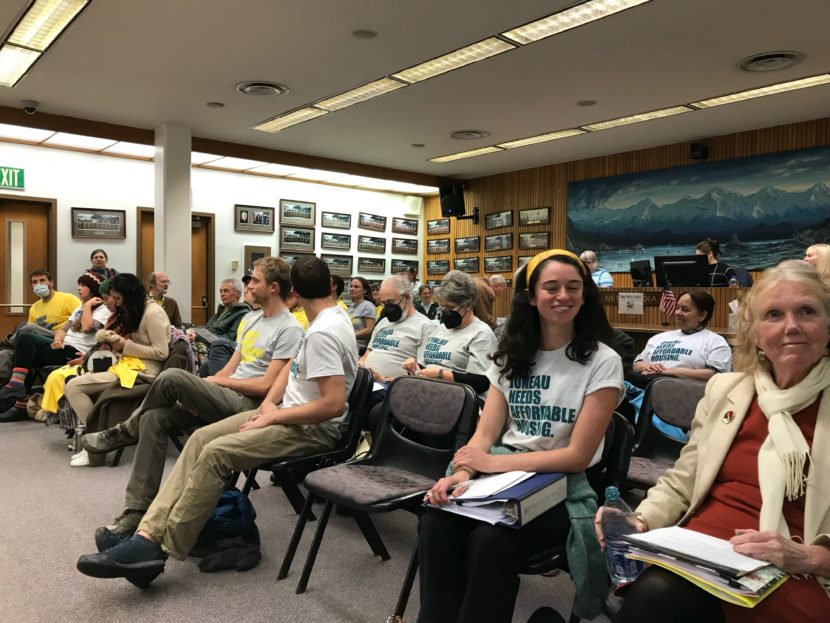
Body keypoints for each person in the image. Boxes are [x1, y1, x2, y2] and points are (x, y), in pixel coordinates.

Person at [76, 255, 359, 588]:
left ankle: (157, 548)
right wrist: (266, 407)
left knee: (214, 454)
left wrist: (274, 414)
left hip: (311, 430)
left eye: (252, 279)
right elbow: (286, 376)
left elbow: (332, 404)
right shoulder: (322, 322)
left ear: (291, 292)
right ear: (330, 286)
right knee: (198, 440)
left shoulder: (323, 332)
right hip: (281, 415)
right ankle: (145, 531)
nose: (247, 285)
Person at [597, 260, 830, 622]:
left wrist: (813, 558)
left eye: (807, 311)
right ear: (754, 333)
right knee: (655, 597)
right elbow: (683, 479)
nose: (791, 326)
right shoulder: (727, 390)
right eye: (773, 314)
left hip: (799, 564)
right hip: (703, 547)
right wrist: (641, 520)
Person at [418, 250, 624, 623]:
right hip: (503, 478)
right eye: (552, 287)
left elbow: (577, 456)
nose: (563, 295)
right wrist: (461, 474)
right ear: (531, 296)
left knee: (490, 540)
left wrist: (492, 463)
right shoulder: (511, 354)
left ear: (585, 294)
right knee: (436, 518)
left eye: (573, 287)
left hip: (562, 486)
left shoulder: (602, 360)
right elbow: (485, 433)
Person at [81, 257, 303, 534]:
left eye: (255, 280)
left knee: (173, 377)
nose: (249, 284)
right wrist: (211, 385)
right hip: (226, 393)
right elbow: (232, 369)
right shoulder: (250, 319)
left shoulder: (290, 328)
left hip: (250, 406)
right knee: (153, 419)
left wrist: (213, 383)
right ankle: (136, 510)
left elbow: (268, 387)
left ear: (273, 287)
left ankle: (125, 430)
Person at [64, 273, 170, 465]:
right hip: (129, 365)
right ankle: (99, 440)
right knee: (75, 383)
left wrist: (124, 345)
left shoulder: (153, 313)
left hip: (143, 373)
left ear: (130, 295)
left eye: (118, 299)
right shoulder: (141, 309)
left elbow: (161, 352)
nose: (117, 303)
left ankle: (99, 441)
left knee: (74, 387)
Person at [0, 274, 111, 422]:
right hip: (64, 345)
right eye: (78, 284)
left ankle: (18, 393)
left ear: (92, 289)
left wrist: (87, 306)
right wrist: (58, 340)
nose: (78, 288)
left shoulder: (102, 309)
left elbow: (86, 327)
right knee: (24, 351)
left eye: (83, 285)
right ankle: (19, 398)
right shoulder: (79, 308)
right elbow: (63, 329)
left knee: (26, 338)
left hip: (77, 351)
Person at [402, 271, 497, 395]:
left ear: (468, 305)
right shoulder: (439, 329)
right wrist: (413, 367)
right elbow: (424, 366)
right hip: (428, 391)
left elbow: (481, 383)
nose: (445, 312)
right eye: (442, 307)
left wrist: (441, 374)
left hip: (457, 398)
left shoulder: (481, 334)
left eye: (450, 307)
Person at [629, 291, 732, 389]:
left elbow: (715, 375)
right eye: (677, 308)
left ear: (702, 315)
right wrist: (648, 366)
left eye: (685, 310)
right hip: (645, 388)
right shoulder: (658, 338)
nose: (678, 313)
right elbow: (637, 365)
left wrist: (670, 371)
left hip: (686, 393)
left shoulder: (715, 341)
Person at [361, 274, 436, 406]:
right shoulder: (384, 322)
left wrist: (386, 379)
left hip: (395, 385)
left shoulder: (425, 326)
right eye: (384, 304)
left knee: (363, 393)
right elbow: (367, 353)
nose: (386, 308)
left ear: (406, 297)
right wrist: (359, 364)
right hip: (368, 380)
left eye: (390, 303)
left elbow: (422, 373)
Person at [0, 270, 82, 387]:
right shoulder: (34, 307)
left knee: (28, 329)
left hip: (60, 338)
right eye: (35, 282)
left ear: (51, 283)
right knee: (5, 353)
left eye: (42, 280)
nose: (39, 284)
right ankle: (9, 391)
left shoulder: (68, 299)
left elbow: (81, 319)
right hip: (38, 341)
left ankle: (6, 343)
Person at [189, 278, 250, 376]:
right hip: (209, 343)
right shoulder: (222, 310)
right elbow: (207, 329)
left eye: (226, 291)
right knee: (182, 339)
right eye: (221, 291)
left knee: (187, 348)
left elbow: (228, 339)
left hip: (221, 349)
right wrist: (193, 332)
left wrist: (198, 337)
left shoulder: (243, 314)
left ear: (237, 294)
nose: (222, 294)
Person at [348, 276, 376, 351]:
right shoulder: (351, 307)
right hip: (349, 344)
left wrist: (351, 334)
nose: (352, 289)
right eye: (351, 286)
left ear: (364, 290)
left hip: (359, 348)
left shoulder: (368, 306)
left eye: (356, 287)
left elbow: (369, 329)